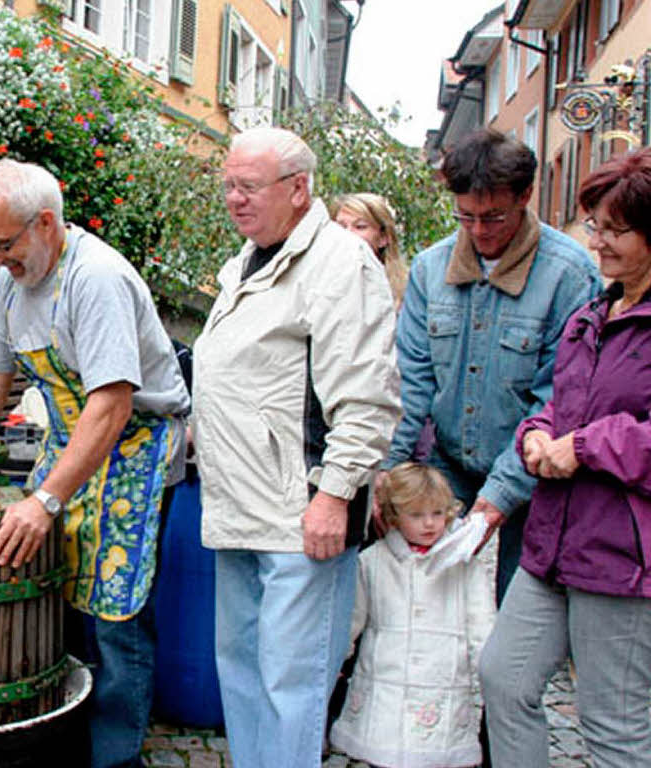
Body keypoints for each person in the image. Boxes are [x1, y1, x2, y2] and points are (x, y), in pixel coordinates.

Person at [0, 159, 189, 768]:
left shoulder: (96, 278)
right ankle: (53, 739)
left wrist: (45, 500)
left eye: (4, 245)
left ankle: (115, 757)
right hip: (72, 441)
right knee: (49, 588)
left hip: (135, 447)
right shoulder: (11, 283)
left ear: (44, 223)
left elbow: (112, 404)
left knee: (116, 611)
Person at [191, 126, 401, 768]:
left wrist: (334, 495)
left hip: (300, 514)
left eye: (247, 186)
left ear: (299, 189)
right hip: (239, 510)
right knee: (244, 673)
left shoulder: (339, 263)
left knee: (292, 683)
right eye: (227, 185)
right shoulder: (247, 263)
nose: (233, 198)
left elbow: (365, 395)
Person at [479, 148, 651, 767]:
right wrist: (536, 434)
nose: (598, 244)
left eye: (617, 231)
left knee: (613, 726)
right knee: (503, 679)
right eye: (594, 227)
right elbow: (558, 400)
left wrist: (581, 448)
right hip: (553, 542)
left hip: (624, 558)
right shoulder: (594, 314)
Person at [379, 129, 601, 604]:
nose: (479, 231)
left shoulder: (571, 274)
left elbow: (559, 398)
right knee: (431, 606)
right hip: (448, 465)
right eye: (466, 217)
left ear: (525, 196)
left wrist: (501, 493)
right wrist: (390, 468)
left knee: (510, 614)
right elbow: (410, 383)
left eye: (494, 217)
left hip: (536, 478)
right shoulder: (429, 269)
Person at [330, 462, 496, 768]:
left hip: (440, 684)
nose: (430, 524)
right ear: (393, 516)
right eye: (416, 515)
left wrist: (489, 675)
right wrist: (337, 659)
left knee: (433, 752)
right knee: (382, 752)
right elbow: (353, 618)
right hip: (384, 681)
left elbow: (481, 626)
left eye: (437, 514)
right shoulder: (373, 562)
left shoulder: (465, 567)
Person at [333, 192, 409, 309]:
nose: (347, 233)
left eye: (360, 227)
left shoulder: (408, 292)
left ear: (383, 238)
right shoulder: (316, 284)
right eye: (341, 227)